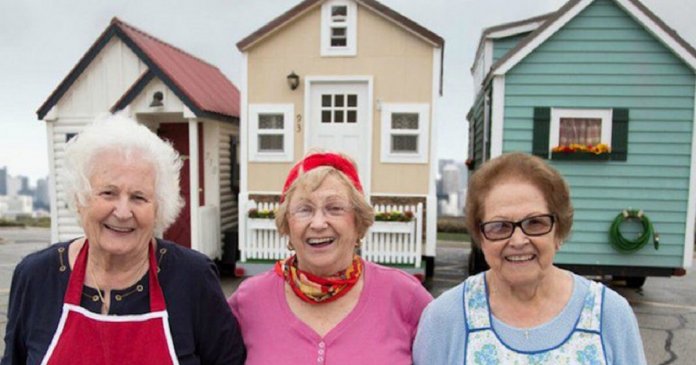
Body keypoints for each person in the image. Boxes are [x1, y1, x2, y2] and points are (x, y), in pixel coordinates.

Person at [1, 114, 246, 364]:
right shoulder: (36, 276)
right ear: (80, 198)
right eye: (108, 193)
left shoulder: (193, 278)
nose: (122, 212)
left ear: (158, 208)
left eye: (139, 197)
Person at [413, 152, 646, 365]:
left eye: (535, 223)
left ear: (559, 230)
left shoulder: (609, 314)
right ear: (481, 238)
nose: (517, 240)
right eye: (500, 226)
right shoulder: (445, 317)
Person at [228, 151, 432, 364]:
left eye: (334, 208)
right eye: (304, 209)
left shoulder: (405, 296)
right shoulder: (249, 300)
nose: (318, 224)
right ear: (287, 224)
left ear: (358, 222)